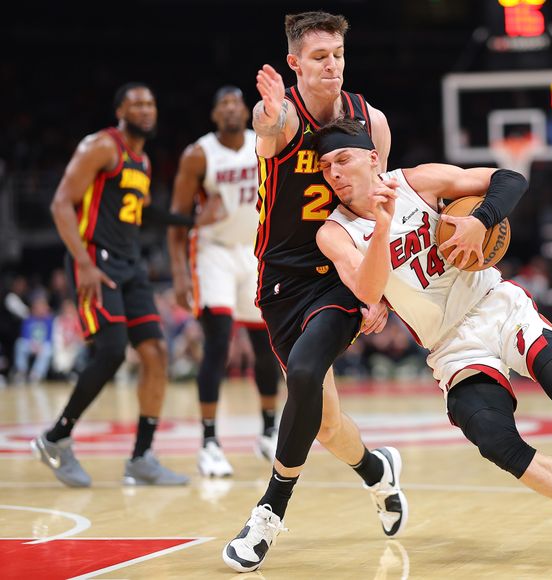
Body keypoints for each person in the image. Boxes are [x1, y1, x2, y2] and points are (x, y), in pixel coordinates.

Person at [312, 117, 552, 577]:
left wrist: (478, 221)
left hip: (495, 305)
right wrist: (384, 227)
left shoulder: (415, 182)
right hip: (451, 347)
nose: (334, 174)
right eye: (326, 167)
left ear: (371, 158)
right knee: (495, 440)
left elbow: (510, 179)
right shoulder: (334, 232)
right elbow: (368, 290)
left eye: (342, 160)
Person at [221, 12, 408, 574]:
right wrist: (271, 113)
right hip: (281, 280)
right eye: (319, 56)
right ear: (294, 63)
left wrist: (383, 294)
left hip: (340, 268)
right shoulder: (277, 118)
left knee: (301, 376)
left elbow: (379, 213)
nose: (332, 65)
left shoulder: (371, 122)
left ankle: (267, 516)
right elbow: (267, 124)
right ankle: (377, 471)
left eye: (338, 54)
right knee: (324, 423)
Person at [31, 83, 189, 487]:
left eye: (151, 103)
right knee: (112, 350)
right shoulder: (102, 146)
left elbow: (143, 213)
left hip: (131, 267)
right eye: (136, 103)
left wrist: (190, 221)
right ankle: (56, 438)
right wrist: (82, 262)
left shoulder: (144, 161)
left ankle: (141, 457)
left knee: (155, 353)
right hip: (95, 261)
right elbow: (61, 202)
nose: (146, 109)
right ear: (120, 109)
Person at [168, 86, 282, 477]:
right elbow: (177, 220)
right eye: (224, 104)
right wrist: (180, 273)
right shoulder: (198, 155)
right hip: (213, 253)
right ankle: (209, 442)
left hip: (255, 253)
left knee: (265, 346)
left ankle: (269, 432)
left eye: (237, 101)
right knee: (217, 342)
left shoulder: (263, 142)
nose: (232, 108)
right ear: (215, 115)